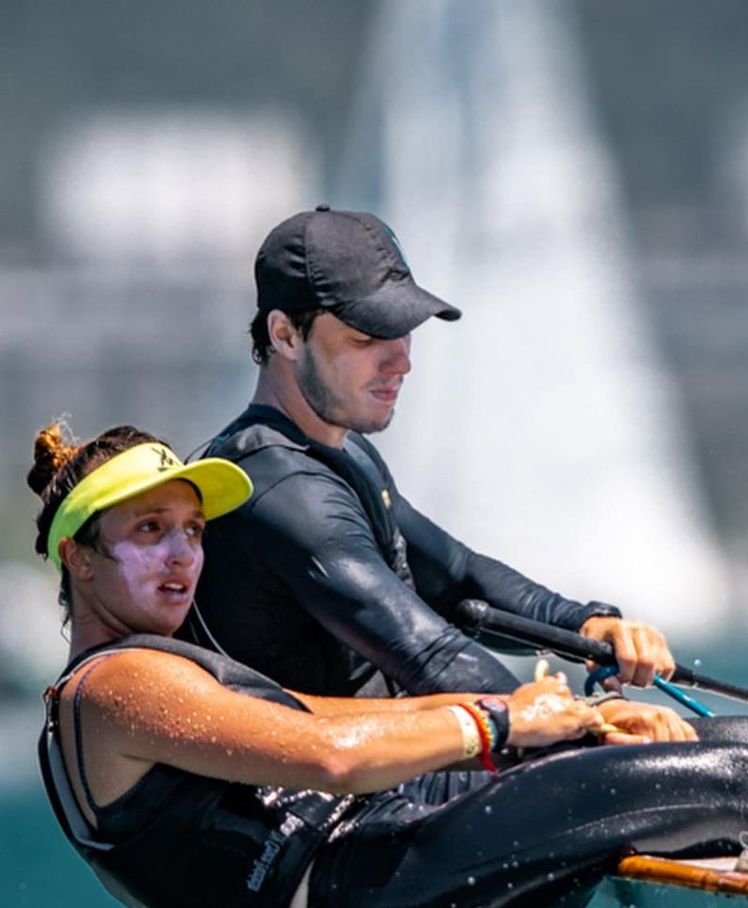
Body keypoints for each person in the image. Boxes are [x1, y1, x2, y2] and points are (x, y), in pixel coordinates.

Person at [33, 421, 748, 908]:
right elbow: (329, 754)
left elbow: (334, 714)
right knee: (739, 784)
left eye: (192, 530)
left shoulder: (168, 668)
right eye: (150, 530)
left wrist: (570, 725)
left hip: (409, 863)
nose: (183, 555)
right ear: (79, 554)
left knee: (739, 744)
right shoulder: (109, 690)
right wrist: (503, 726)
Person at [188, 206, 680, 714]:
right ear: (286, 335)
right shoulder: (277, 487)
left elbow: (458, 577)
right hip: (320, 790)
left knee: (743, 748)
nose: (402, 361)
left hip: (397, 772)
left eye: (404, 331)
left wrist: (587, 626)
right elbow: (428, 654)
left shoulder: (345, 452)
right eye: (366, 338)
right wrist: (582, 723)